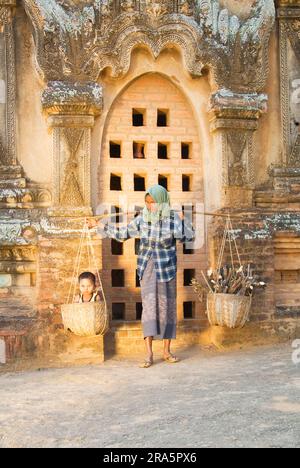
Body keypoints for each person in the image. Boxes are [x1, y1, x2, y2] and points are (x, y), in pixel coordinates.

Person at [87, 185, 195, 368]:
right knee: (149, 308)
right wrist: (99, 225)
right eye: (147, 202)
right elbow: (122, 234)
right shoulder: (142, 219)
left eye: (153, 203)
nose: (150, 206)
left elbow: (189, 237)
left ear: (162, 202)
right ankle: (149, 354)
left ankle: (167, 351)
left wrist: (185, 222)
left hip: (167, 269)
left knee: (167, 308)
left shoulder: (173, 218)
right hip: (148, 268)